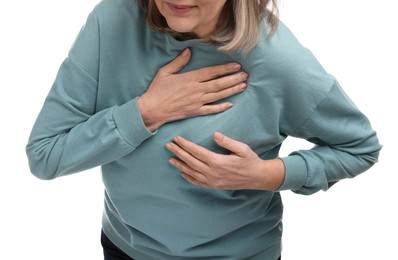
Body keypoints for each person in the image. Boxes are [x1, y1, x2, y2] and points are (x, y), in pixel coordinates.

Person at [26, 0, 382, 259]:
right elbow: (45, 155)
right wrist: (147, 112)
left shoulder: (277, 60)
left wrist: (267, 174)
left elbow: (359, 148)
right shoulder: (111, 21)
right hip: (125, 249)